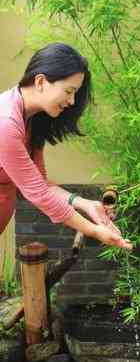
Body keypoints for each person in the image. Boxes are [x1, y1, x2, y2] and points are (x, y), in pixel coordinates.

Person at [0, 42, 132, 251]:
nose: (71, 101)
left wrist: (86, 204)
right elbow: (38, 193)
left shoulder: (31, 119)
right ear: (41, 81)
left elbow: (40, 182)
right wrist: (93, 230)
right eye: (69, 91)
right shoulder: (6, 121)